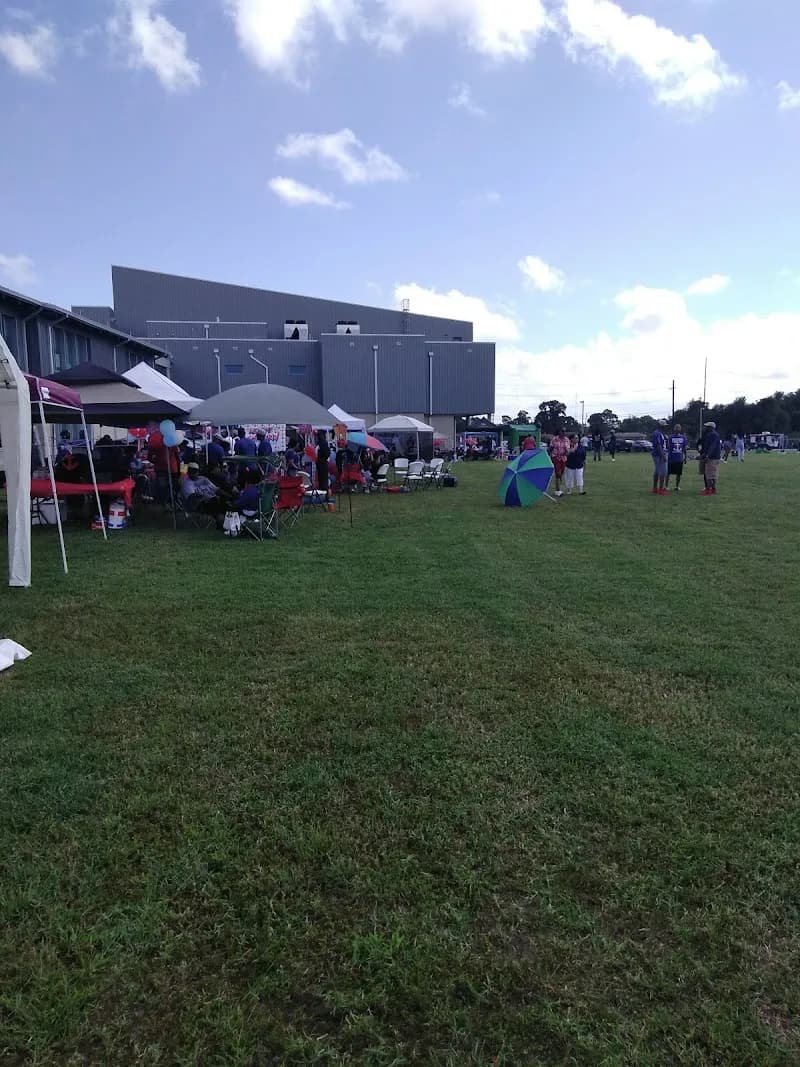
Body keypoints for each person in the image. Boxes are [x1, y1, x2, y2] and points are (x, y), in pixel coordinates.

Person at [180, 462, 228, 527]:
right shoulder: (187, 484)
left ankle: (230, 521)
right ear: (188, 472)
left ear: (198, 471)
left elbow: (215, 489)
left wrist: (226, 494)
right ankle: (222, 522)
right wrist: (208, 498)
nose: (193, 473)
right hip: (199, 505)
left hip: (213, 499)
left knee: (225, 500)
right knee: (215, 504)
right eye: (191, 471)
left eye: (195, 471)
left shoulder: (203, 479)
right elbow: (193, 499)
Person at [666, 423, 688, 491]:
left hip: (679, 458)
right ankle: (666, 486)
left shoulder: (683, 437)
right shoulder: (670, 437)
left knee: (678, 473)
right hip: (671, 458)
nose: (677, 429)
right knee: (668, 473)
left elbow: (684, 448)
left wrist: (685, 457)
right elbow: (668, 446)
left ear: (680, 429)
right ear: (674, 429)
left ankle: (677, 486)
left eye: (679, 427)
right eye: (676, 427)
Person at [701, 421, 722, 495]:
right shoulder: (714, 435)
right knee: (713, 474)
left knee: (709, 475)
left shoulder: (712, 435)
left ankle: (708, 490)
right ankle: (713, 489)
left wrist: (707, 456)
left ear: (711, 428)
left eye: (707, 427)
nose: (706, 428)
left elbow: (712, 446)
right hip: (715, 457)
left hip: (712, 457)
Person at [549, 429, 569, 497]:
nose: (563, 432)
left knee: (561, 474)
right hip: (556, 457)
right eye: (562, 431)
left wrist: (566, 453)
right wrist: (550, 456)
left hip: (563, 458)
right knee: (558, 473)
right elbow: (551, 447)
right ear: (559, 432)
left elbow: (567, 449)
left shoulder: (566, 440)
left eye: (564, 431)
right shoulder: (554, 439)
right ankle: (558, 490)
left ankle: (558, 488)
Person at [651, 425, 668, 495]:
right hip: (659, 454)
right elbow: (658, 445)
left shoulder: (659, 433)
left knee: (657, 471)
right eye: (664, 426)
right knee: (663, 471)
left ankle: (655, 488)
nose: (665, 427)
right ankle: (660, 489)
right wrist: (662, 455)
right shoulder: (657, 433)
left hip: (657, 454)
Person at [315, 429, 331, 498]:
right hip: (321, 462)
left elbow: (327, 453)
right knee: (321, 479)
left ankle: (325, 494)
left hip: (322, 463)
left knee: (323, 479)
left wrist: (321, 459)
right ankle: (322, 493)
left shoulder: (323, 443)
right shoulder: (321, 443)